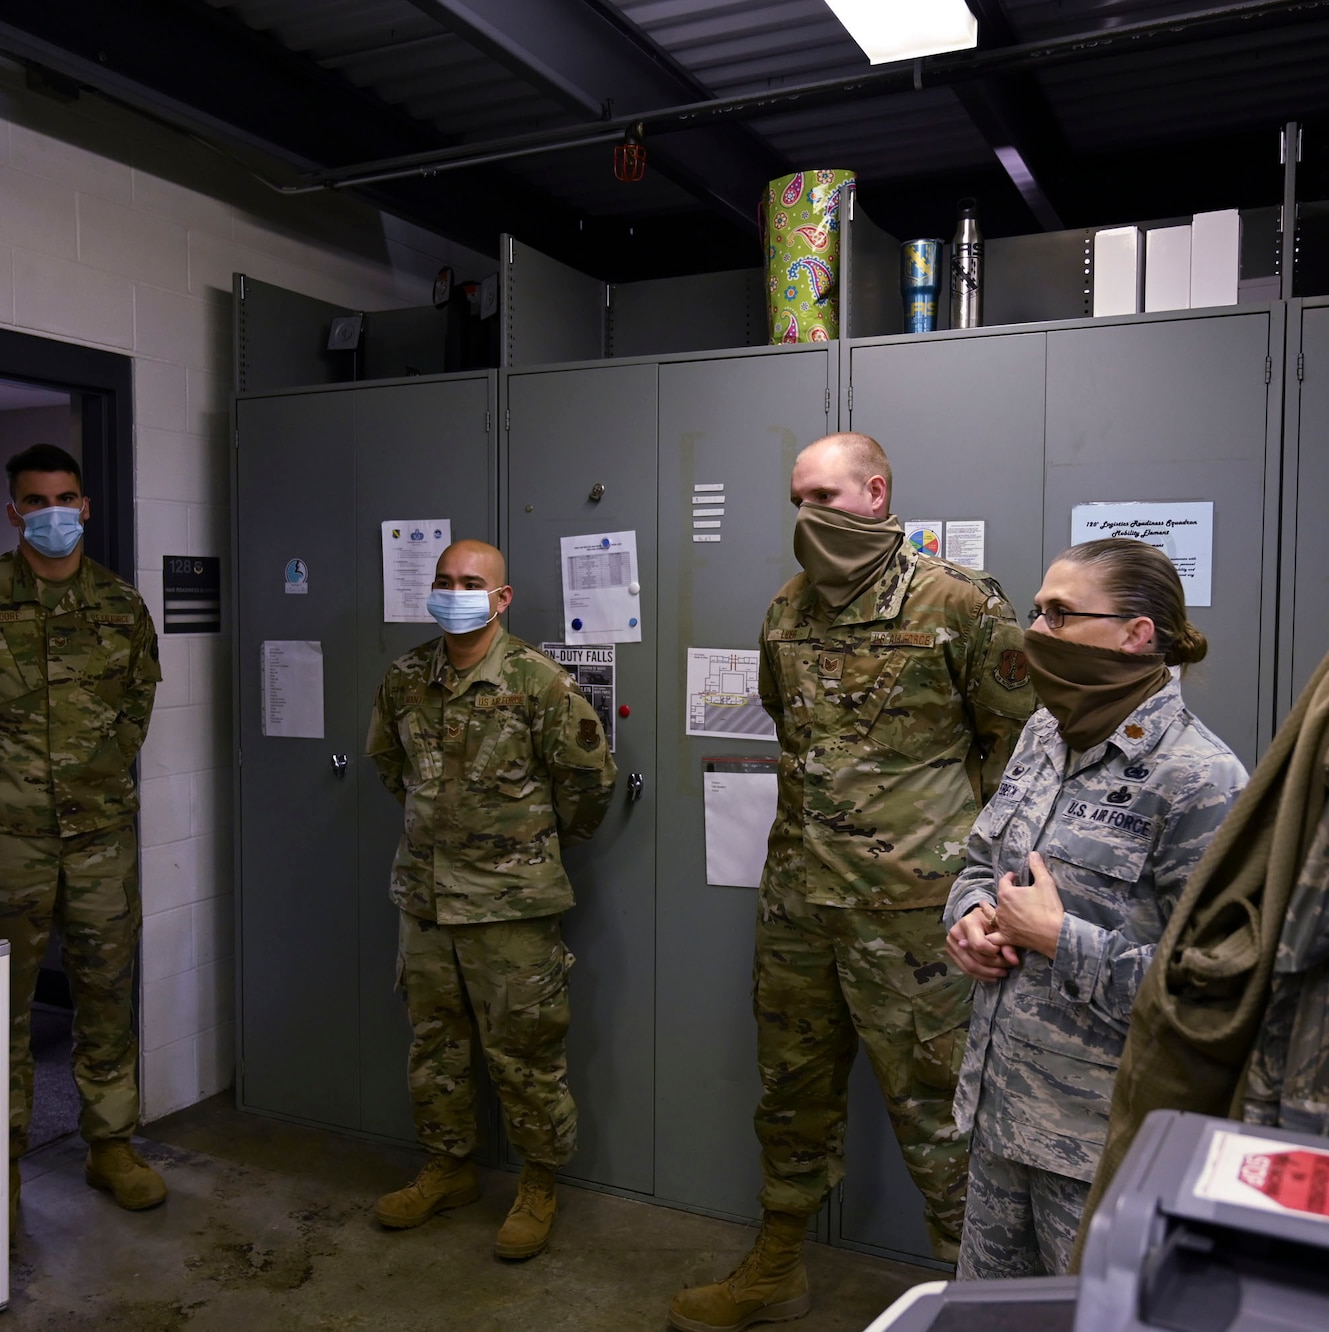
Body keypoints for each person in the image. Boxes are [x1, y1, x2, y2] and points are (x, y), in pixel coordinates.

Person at [671, 434, 1036, 1332]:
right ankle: (777, 1268)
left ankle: (980, 1300)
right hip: (799, 906)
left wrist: (988, 891)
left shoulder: (958, 605)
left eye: (827, 496)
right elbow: (790, 734)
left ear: (876, 494)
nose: (810, 516)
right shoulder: (785, 611)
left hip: (916, 920)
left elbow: (1017, 752)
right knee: (790, 1094)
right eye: (797, 498)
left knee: (940, 1113)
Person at [943, 538, 1248, 1278]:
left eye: (1059, 615)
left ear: (1135, 635)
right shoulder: (1045, 734)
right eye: (1038, 611)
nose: (1036, 632)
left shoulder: (1201, 779)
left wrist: (1059, 938)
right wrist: (972, 917)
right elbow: (983, 862)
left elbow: (1215, 992)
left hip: (1099, 1148)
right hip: (997, 1111)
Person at [0, 443, 162, 1226]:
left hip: (101, 834)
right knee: (0, 999)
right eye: (37, 501)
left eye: (67, 498)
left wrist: (101, 773)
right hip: (5, 834)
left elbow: (137, 701)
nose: (54, 513)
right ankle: (1, 1169)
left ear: (85, 506)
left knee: (107, 991)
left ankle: (110, 1144)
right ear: (15, 511)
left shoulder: (120, 604)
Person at [364, 539, 617, 1261]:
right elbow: (389, 764)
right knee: (434, 1046)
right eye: (444, 581)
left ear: (502, 598)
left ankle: (539, 1183)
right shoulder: (407, 677)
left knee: (525, 1053)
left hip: (511, 907)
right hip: (425, 898)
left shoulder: (538, 682)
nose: (455, 591)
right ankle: (449, 1167)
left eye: (471, 582)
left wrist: (521, 852)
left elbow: (588, 786)